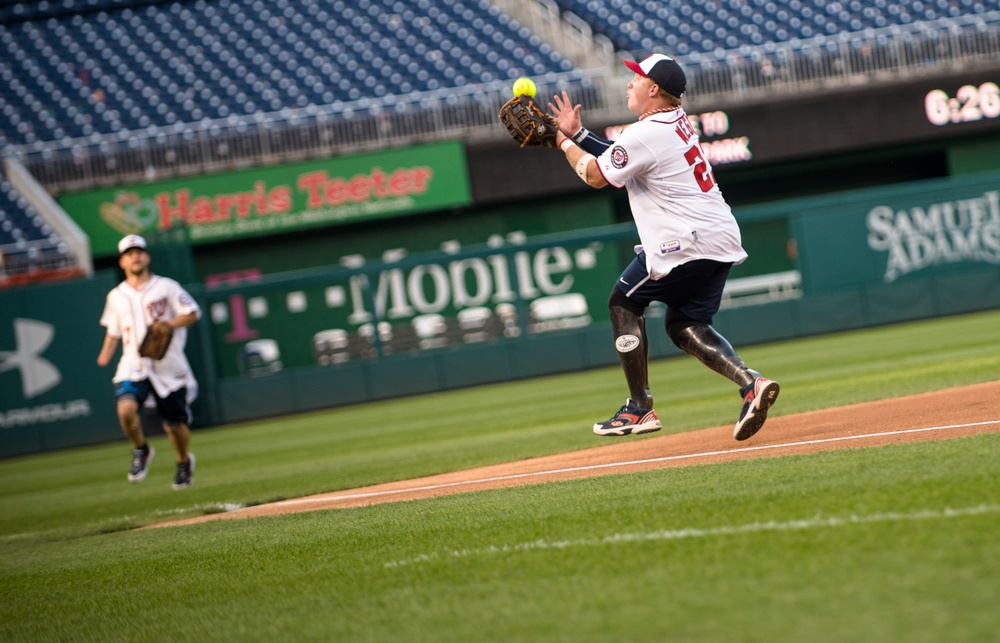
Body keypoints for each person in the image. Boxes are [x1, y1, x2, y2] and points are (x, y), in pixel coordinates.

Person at [548, 54, 779, 441]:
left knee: (623, 302)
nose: (629, 84)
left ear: (653, 89)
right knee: (684, 324)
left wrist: (559, 141)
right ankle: (751, 384)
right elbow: (622, 158)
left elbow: (596, 175)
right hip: (718, 238)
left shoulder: (646, 133)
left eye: (635, 78)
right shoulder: (674, 123)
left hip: (686, 241)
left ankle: (639, 408)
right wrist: (579, 135)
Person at [97, 234, 201, 488]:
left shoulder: (166, 286)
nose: (135, 256)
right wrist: (105, 354)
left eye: (139, 251)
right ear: (122, 262)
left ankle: (183, 460)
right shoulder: (116, 296)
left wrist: (168, 323)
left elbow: (192, 313)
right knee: (126, 409)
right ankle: (141, 449)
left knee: (174, 425)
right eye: (129, 253)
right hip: (132, 364)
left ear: (147, 256)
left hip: (168, 365)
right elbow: (113, 330)